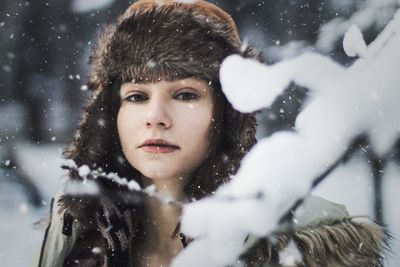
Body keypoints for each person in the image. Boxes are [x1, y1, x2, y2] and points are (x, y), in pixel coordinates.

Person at [38, 1, 389, 266]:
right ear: (111, 114)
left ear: (226, 114)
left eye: (185, 94)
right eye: (136, 96)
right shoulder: (74, 228)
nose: (155, 117)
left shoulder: (303, 238)